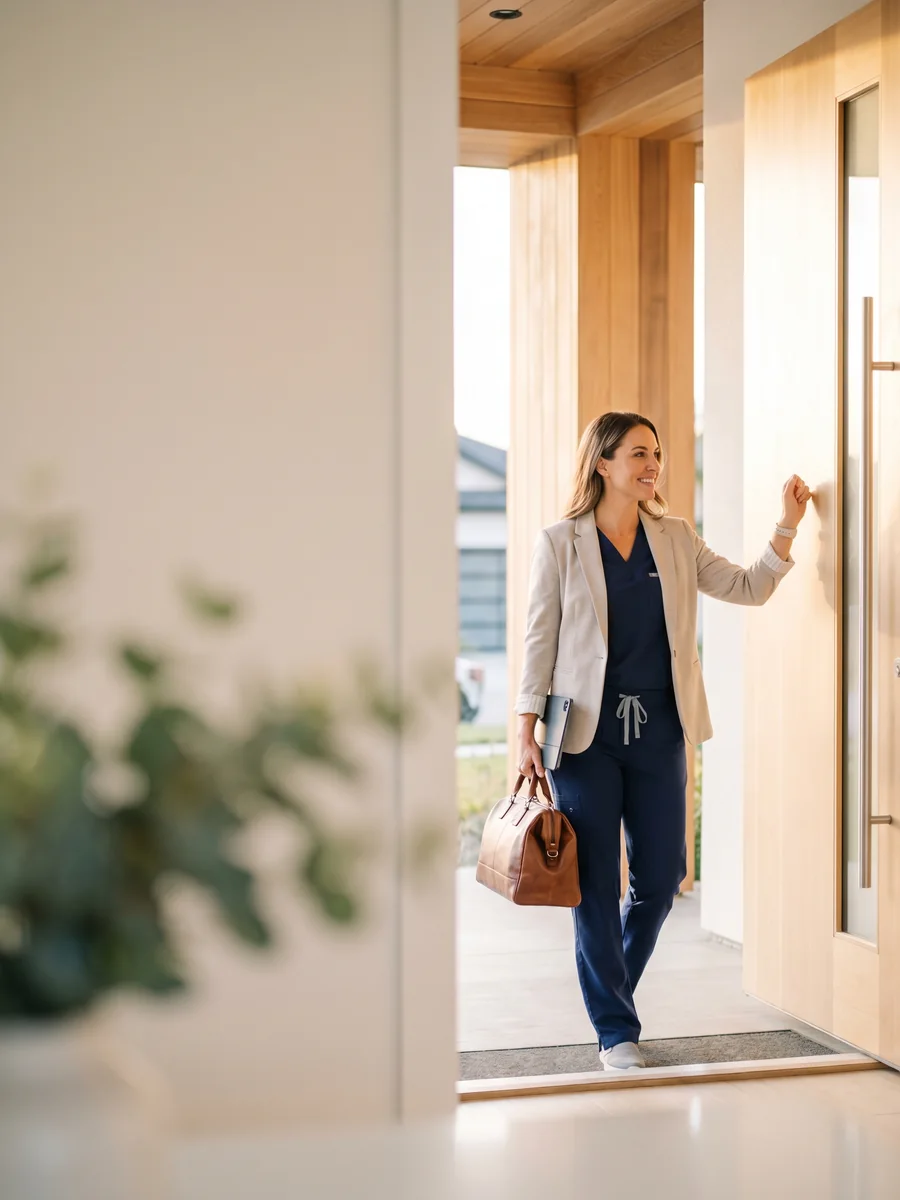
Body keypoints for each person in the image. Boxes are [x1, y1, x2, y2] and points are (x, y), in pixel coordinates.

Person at [515, 412, 811, 1072]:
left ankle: (609, 992)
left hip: (660, 731)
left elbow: (749, 587)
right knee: (594, 883)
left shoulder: (675, 538)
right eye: (638, 454)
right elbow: (539, 642)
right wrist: (523, 732)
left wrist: (786, 526)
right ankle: (615, 1029)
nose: (653, 465)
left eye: (657, 454)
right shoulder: (561, 543)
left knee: (659, 879)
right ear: (603, 463)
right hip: (585, 738)